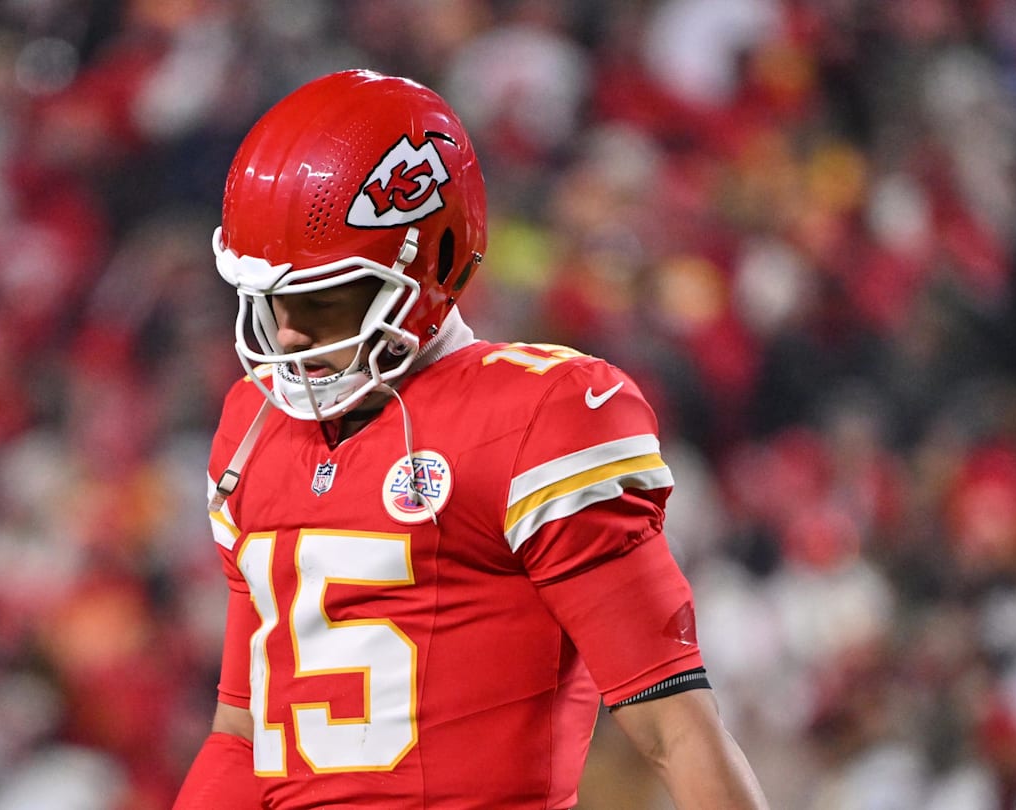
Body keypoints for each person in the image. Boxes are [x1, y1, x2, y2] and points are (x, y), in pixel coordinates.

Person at [174, 69, 768, 810]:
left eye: (322, 300)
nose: (289, 336)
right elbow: (243, 733)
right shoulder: (254, 424)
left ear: (434, 259)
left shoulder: (540, 416)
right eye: (272, 302)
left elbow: (673, 727)